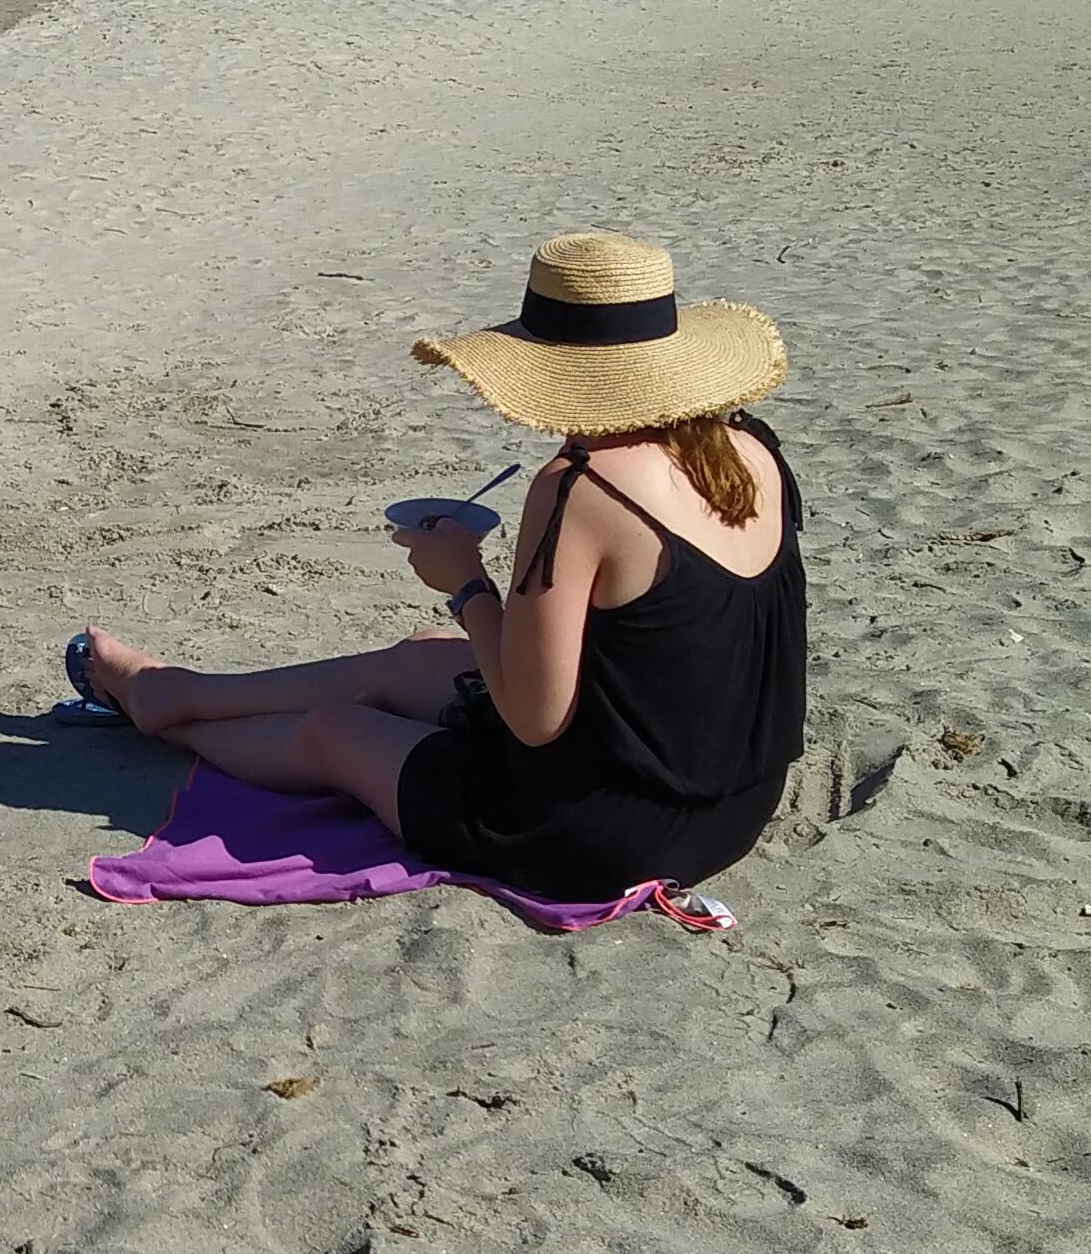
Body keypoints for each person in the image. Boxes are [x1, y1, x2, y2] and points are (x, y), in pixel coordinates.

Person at [76, 231, 806, 902]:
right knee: (419, 662)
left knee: (335, 730)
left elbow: (535, 719)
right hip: (732, 805)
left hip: (601, 833)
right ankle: (178, 690)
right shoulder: (750, 449)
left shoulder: (584, 487)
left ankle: (167, 725)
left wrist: (463, 579)